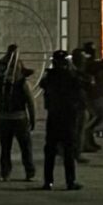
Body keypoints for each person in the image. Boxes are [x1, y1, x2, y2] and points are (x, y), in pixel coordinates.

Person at [0, 46, 36, 182]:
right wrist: (32, 119)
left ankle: (5, 173)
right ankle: (29, 172)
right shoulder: (22, 82)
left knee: (5, 148)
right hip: (20, 117)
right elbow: (30, 102)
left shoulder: (0, 82)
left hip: (4, 118)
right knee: (25, 147)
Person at [40, 50, 84, 190]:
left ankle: (48, 182)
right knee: (69, 151)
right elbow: (82, 90)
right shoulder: (72, 77)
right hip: (68, 118)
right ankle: (70, 182)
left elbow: (43, 86)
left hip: (53, 117)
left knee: (50, 151)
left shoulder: (50, 76)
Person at [82, 41, 103, 151]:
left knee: (93, 119)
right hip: (94, 96)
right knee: (96, 119)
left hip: (90, 95)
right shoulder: (92, 64)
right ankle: (85, 141)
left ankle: (89, 141)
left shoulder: (85, 63)